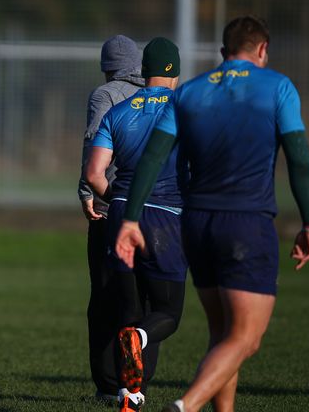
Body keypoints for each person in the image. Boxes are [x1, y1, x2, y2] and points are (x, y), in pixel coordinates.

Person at [114, 16, 309, 412]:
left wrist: (131, 219)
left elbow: (153, 159)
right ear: (262, 50)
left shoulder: (189, 92)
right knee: (246, 338)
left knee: (222, 332)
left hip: (195, 225)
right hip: (246, 222)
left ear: (223, 53)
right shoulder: (277, 86)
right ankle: (185, 407)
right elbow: (300, 160)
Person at [87, 37, 187, 412]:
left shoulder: (119, 112)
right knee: (166, 313)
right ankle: (140, 345)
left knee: (128, 311)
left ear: (144, 72)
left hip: (120, 214)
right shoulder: (184, 109)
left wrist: (118, 197)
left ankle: (130, 395)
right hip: (166, 217)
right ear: (174, 73)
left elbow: (94, 173)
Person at [78, 34, 158, 404]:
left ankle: (110, 384)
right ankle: (139, 383)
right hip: (158, 214)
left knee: (107, 298)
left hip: (113, 210)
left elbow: (95, 146)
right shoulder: (161, 98)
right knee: (147, 301)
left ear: (108, 67)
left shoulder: (105, 95)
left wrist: (87, 191)